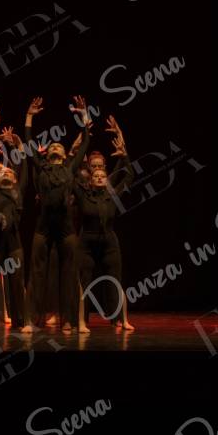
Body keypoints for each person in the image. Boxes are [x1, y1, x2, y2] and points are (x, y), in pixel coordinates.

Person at [25, 95, 91, 331]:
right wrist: (29, 117)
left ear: (64, 155)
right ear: (47, 154)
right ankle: (32, 320)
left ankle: (69, 320)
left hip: (65, 227)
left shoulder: (70, 167)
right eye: (52, 146)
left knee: (69, 273)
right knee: (37, 272)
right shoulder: (41, 166)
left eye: (59, 146)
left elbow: (85, 142)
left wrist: (83, 116)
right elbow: (28, 142)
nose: (54, 146)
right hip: (43, 226)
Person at [74, 117, 134, 332]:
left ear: (106, 174)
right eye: (95, 171)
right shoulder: (83, 191)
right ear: (90, 175)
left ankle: (120, 319)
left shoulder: (112, 194)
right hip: (87, 241)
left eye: (102, 171)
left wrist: (123, 150)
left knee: (114, 279)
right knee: (84, 280)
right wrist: (80, 143)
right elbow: (72, 172)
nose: (99, 174)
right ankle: (80, 321)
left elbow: (129, 175)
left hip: (108, 240)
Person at [0, 127, 30, 331]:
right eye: (1, 172)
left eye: (9, 172)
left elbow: (22, 166)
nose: (5, 172)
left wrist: (16, 145)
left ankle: (19, 320)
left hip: (13, 243)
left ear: (15, 178)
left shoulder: (18, 189)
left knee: (16, 283)